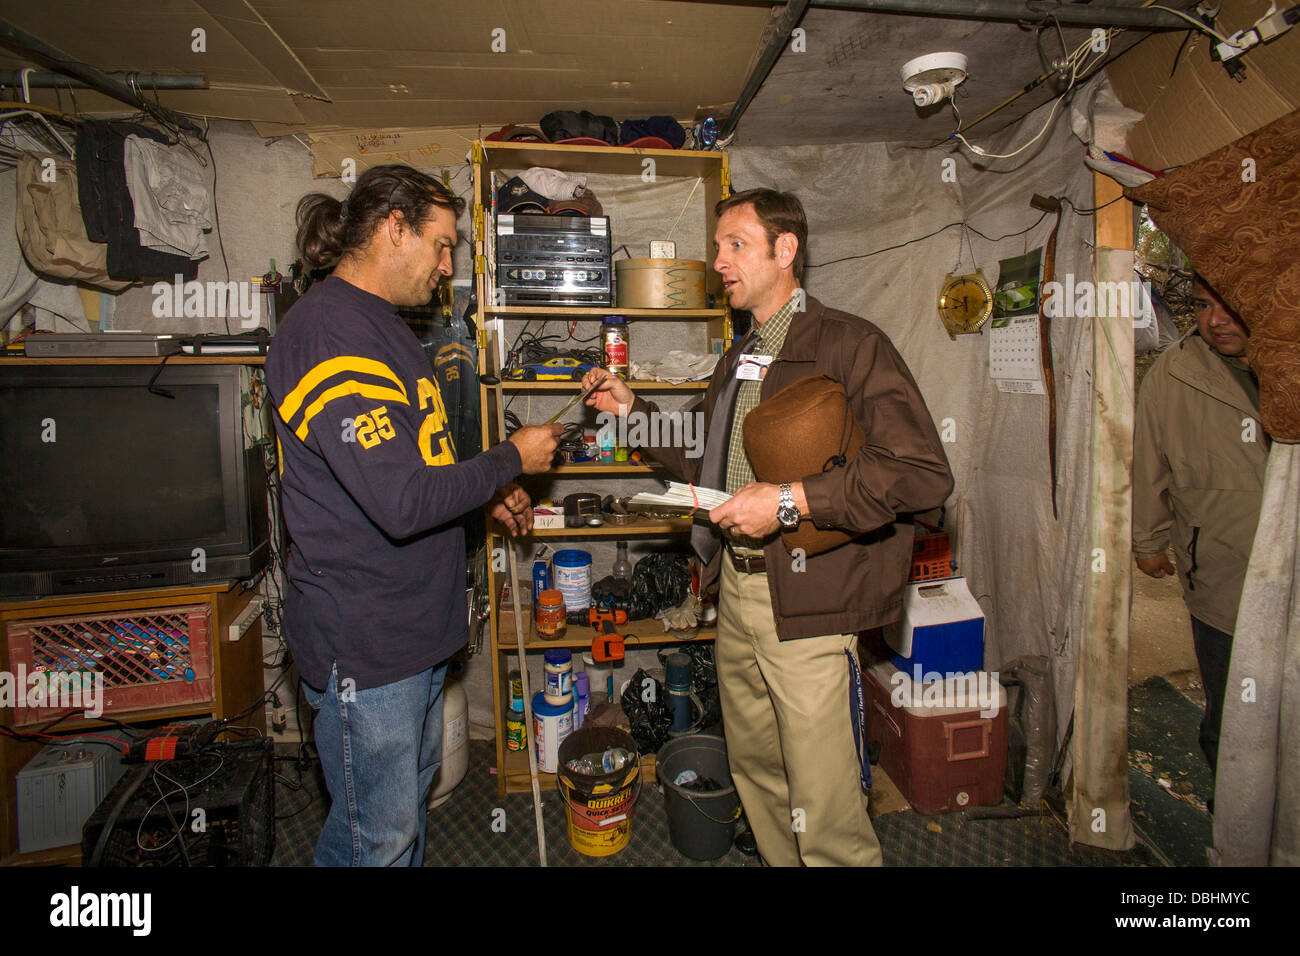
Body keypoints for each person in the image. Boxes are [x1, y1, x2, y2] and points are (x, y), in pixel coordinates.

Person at [584, 189, 953, 865]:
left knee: (826, 803)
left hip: (811, 605)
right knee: (759, 778)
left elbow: (918, 471)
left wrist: (787, 501)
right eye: (719, 245)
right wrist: (632, 407)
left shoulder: (849, 344)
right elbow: (700, 442)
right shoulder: (742, 353)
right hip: (741, 593)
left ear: (787, 251)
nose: (718, 261)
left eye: (736, 245)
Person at [266, 164, 560, 866]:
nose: (448, 265)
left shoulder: (382, 327)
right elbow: (400, 504)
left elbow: (409, 466)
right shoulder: (331, 335)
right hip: (369, 650)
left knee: (401, 825)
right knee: (378, 839)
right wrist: (510, 459)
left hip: (411, 638)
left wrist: (483, 489)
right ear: (394, 227)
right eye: (442, 244)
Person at [1133, 275, 1267, 780]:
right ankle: (1230, 826)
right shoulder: (1175, 374)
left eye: (1232, 307)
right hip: (1219, 570)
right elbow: (1148, 465)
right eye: (1205, 306)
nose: (1215, 320)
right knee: (1231, 706)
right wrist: (1147, 542)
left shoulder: (1285, 365)